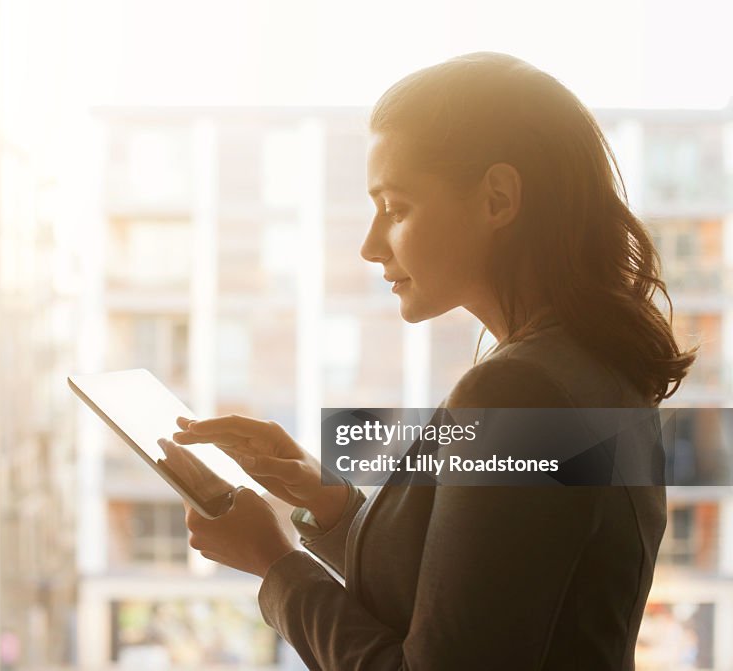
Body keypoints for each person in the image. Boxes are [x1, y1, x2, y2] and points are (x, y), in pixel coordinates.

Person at [164, 51, 697, 670]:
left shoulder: (519, 390)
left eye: (396, 209)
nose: (369, 246)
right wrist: (329, 501)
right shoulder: (583, 368)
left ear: (497, 198)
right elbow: (478, 601)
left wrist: (273, 564)